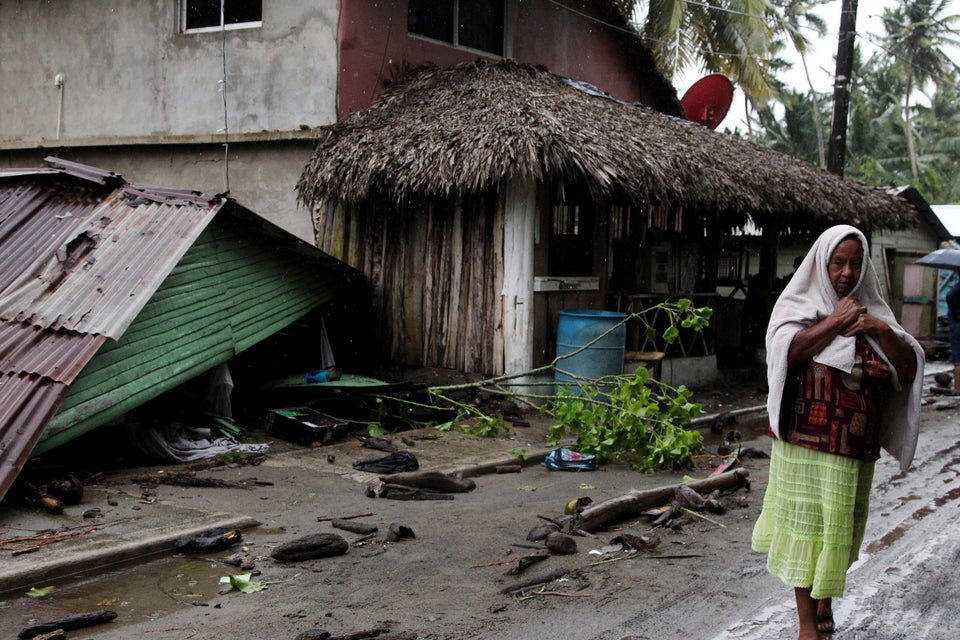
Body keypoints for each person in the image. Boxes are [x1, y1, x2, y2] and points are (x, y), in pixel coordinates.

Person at [752, 225, 924, 640]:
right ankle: (807, 625)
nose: (846, 272)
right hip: (804, 444)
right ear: (822, 263)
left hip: (853, 447)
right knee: (806, 530)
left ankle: (825, 598)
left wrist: (879, 330)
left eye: (854, 263)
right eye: (838, 262)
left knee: (838, 532)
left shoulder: (875, 314)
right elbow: (785, 354)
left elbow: (908, 368)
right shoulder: (799, 304)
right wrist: (835, 321)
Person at [945, 274, 960, 394]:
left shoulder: (957, 288)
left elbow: (949, 295)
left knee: (958, 359)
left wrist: (956, 312)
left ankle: (958, 388)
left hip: (957, 325)